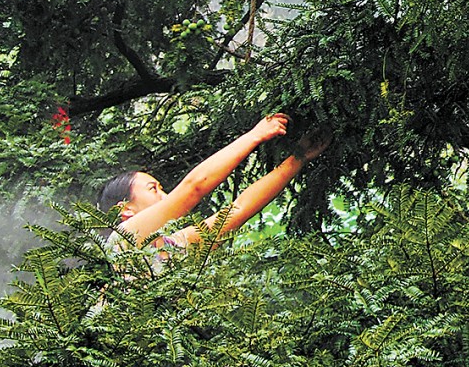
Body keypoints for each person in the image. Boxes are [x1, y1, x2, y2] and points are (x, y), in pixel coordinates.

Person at [98, 113, 328, 268]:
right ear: (126, 209)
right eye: (153, 189)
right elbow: (193, 188)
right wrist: (255, 135)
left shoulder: (176, 245)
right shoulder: (122, 239)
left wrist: (297, 158)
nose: (165, 195)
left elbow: (238, 210)